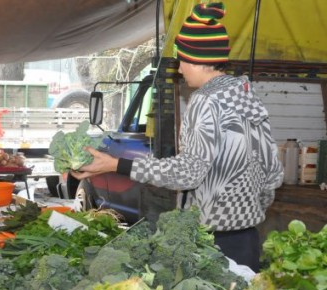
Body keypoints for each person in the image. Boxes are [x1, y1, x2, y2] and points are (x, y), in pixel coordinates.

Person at [71, 2, 283, 272]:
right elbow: (273, 173)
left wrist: (116, 165)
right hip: (248, 239)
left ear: (199, 60)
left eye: (182, 60)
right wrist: (246, 211)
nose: (180, 69)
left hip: (213, 244)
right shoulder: (245, 94)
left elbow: (188, 173)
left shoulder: (205, 101)